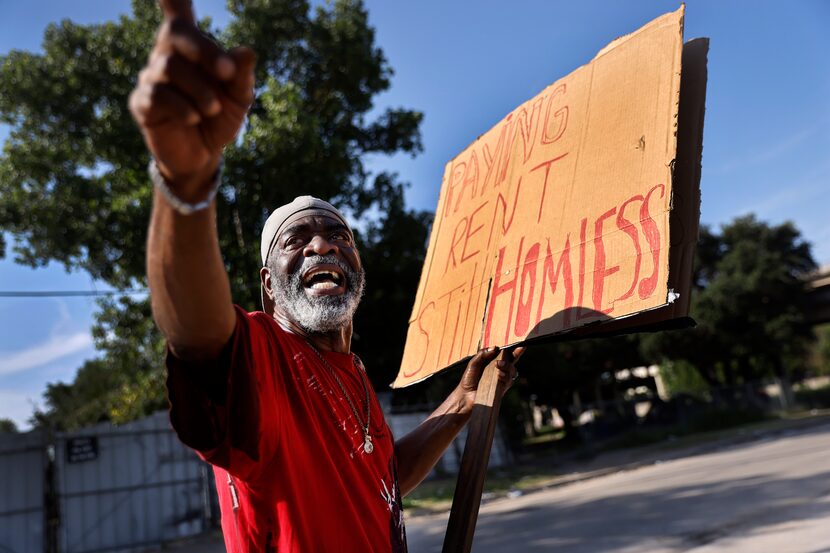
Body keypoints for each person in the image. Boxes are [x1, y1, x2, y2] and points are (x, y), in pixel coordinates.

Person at [129, 1, 523, 551]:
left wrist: (461, 403)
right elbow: (194, 331)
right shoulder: (262, 358)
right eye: (298, 240)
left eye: (340, 235)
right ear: (269, 288)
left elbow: (381, 481)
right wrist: (186, 186)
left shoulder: (352, 371)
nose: (324, 244)